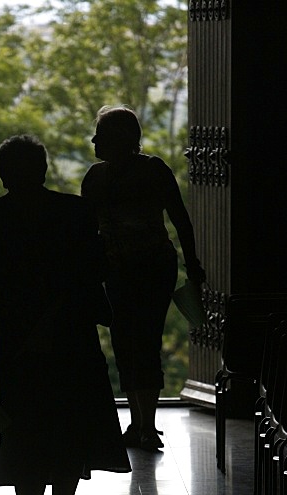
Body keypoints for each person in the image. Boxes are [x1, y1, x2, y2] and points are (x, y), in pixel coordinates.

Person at [0, 134, 130, 495]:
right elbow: (95, 270)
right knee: (70, 426)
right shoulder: (74, 214)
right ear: (43, 168)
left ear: (2, 174)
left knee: (27, 427)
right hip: (70, 333)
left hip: (16, 337)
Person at [80, 105, 206, 451]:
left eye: (100, 135)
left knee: (134, 341)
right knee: (135, 341)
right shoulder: (153, 171)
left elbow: (86, 233)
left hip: (128, 271)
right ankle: (142, 424)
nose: (94, 140)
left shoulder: (96, 178)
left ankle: (142, 424)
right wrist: (191, 263)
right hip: (148, 268)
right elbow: (180, 220)